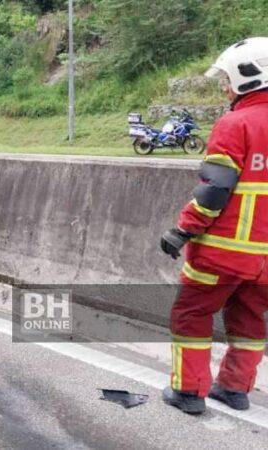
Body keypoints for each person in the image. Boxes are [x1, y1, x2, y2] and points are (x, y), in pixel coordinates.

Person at [160, 37, 268, 415]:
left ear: (248, 78)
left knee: (191, 314)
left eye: (228, 78)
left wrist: (181, 230)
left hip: (224, 253)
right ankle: (235, 389)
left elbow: (214, 190)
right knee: (250, 320)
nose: (224, 86)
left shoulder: (235, 123)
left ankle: (189, 392)